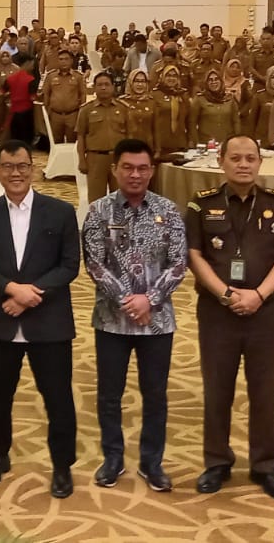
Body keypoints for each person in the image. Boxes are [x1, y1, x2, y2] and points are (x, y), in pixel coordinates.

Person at [184, 134, 274, 502]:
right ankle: (217, 462)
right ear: (220, 161)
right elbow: (194, 255)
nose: (243, 164)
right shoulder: (201, 205)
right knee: (217, 389)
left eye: (250, 158)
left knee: (265, 391)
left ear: (259, 162)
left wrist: (258, 295)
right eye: (235, 158)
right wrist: (225, 293)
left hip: (266, 312)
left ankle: (265, 466)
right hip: (217, 311)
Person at [0, 139, 80, 498]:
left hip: (49, 322)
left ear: (32, 169)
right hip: (0, 321)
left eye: (22, 166)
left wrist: (30, 294)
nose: (15, 173)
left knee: (58, 397)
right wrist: (11, 290)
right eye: (8, 167)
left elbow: (69, 266)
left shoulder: (61, 212)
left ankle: (62, 466)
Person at [82, 139, 186, 492]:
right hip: (111, 320)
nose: (135, 174)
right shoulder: (98, 212)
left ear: (152, 171)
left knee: (155, 394)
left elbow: (179, 262)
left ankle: (151, 462)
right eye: (128, 167)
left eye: (143, 168)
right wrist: (129, 300)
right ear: (114, 169)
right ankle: (112, 458)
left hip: (157, 323)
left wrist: (150, 300)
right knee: (109, 394)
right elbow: (94, 264)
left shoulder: (169, 211)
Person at [76, 72, 128, 203]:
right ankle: (96, 224)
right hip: (95, 159)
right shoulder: (86, 110)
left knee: (120, 199)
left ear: (113, 87)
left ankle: (118, 223)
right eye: (99, 85)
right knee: (96, 201)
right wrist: (82, 160)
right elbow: (81, 136)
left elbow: (129, 135)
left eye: (106, 84)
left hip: (118, 159)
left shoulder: (123, 108)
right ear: (94, 88)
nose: (103, 88)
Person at [42, 50, 87, 145]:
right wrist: (47, 112)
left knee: (72, 143)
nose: (63, 62)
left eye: (66, 59)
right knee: (56, 143)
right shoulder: (51, 76)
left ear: (71, 61)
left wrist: (81, 112)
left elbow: (83, 94)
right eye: (61, 59)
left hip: (72, 115)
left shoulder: (78, 76)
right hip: (55, 116)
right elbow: (46, 94)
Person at [192, 70, 238, 147]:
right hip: (206, 143)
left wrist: (237, 140)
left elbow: (236, 122)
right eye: (210, 80)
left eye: (216, 79)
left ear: (221, 81)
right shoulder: (200, 99)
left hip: (227, 143)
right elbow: (192, 123)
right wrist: (196, 142)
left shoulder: (229, 99)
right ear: (206, 83)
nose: (214, 82)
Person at [4, 54, 37, 146]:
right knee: (25, 140)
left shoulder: (10, 78)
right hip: (26, 113)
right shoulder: (30, 79)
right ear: (27, 64)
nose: (33, 66)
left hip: (13, 112)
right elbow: (32, 97)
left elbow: (0, 92)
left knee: (14, 138)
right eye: (32, 64)